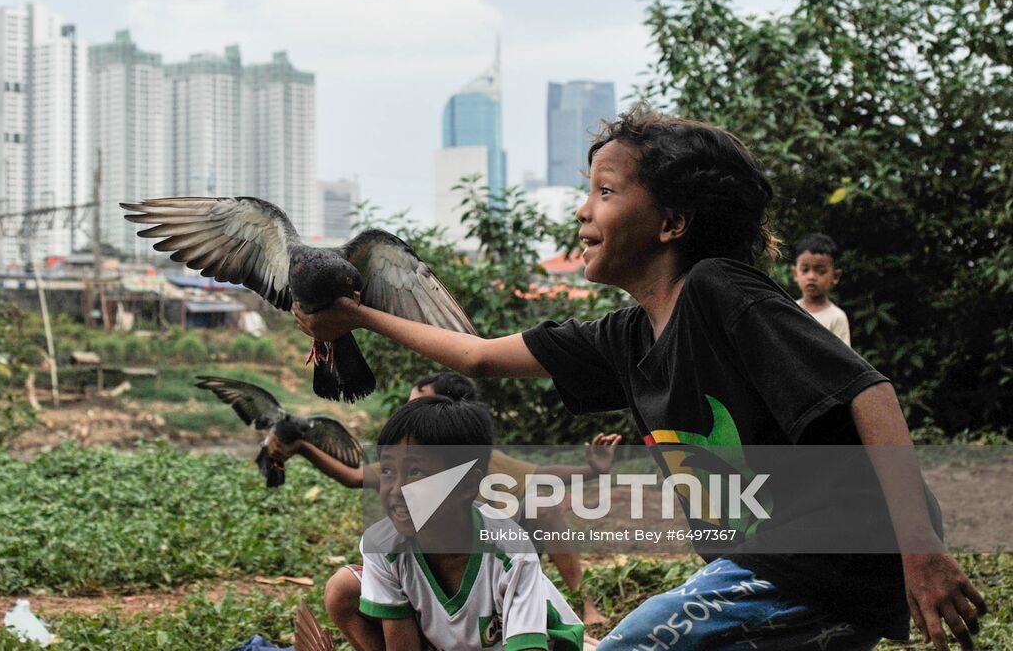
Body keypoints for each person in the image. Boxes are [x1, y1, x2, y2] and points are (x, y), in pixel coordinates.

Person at [296, 106, 986, 651]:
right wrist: (352, 316)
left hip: (817, 563)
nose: (582, 212)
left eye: (604, 192)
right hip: (775, 575)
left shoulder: (719, 292)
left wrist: (920, 554)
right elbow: (477, 356)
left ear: (672, 222)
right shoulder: (624, 338)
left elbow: (871, 393)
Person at [272, 371, 620, 629]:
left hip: (484, 562)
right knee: (349, 586)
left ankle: (584, 602)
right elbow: (352, 478)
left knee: (542, 506)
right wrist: (304, 447)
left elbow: (543, 475)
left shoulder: (472, 460)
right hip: (430, 566)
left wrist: (593, 470)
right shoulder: (404, 464)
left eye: (421, 405)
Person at [352, 394, 588, 651]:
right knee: (343, 587)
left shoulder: (511, 551)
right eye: (387, 471)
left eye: (416, 472)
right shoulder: (382, 546)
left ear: (467, 485)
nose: (396, 490)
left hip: (544, 644)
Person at [793, 232, 851, 346]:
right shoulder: (790, 309)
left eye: (821, 271)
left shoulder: (837, 317)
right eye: (805, 270)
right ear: (795, 273)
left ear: (835, 276)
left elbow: (843, 359)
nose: (811, 277)